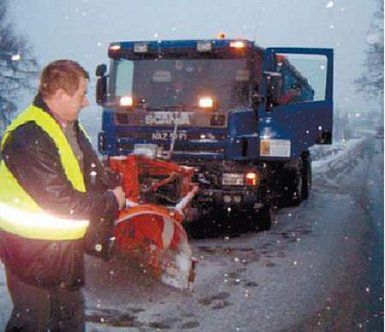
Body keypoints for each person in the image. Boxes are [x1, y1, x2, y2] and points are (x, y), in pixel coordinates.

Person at [0, 59, 126, 331]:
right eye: (81, 95)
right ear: (59, 95)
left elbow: (86, 173)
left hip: (61, 250)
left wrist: (111, 183)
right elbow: (62, 202)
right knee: (33, 320)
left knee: (69, 319)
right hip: (30, 252)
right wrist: (111, 201)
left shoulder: (70, 128)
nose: (86, 103)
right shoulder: (29, 137)